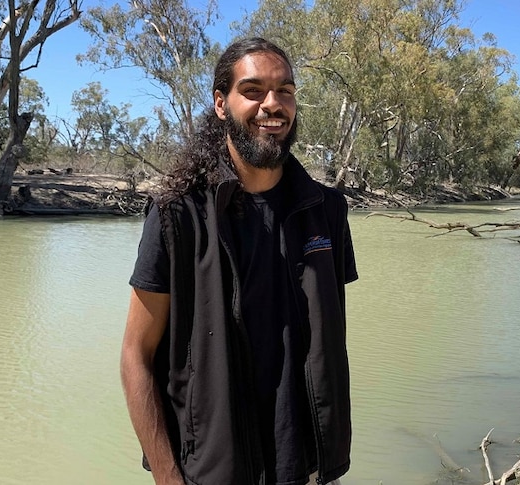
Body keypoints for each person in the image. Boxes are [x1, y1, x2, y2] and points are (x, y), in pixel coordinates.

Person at [121, 37, 358, 485]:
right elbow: (136, 354)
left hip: (307, 468)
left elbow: (327, 337)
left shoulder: (326, 210)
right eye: (253, 91)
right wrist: (169, 478)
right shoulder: (178, 215)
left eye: (285, 90)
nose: (273, 104)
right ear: (221, 105)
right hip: (212, 470)